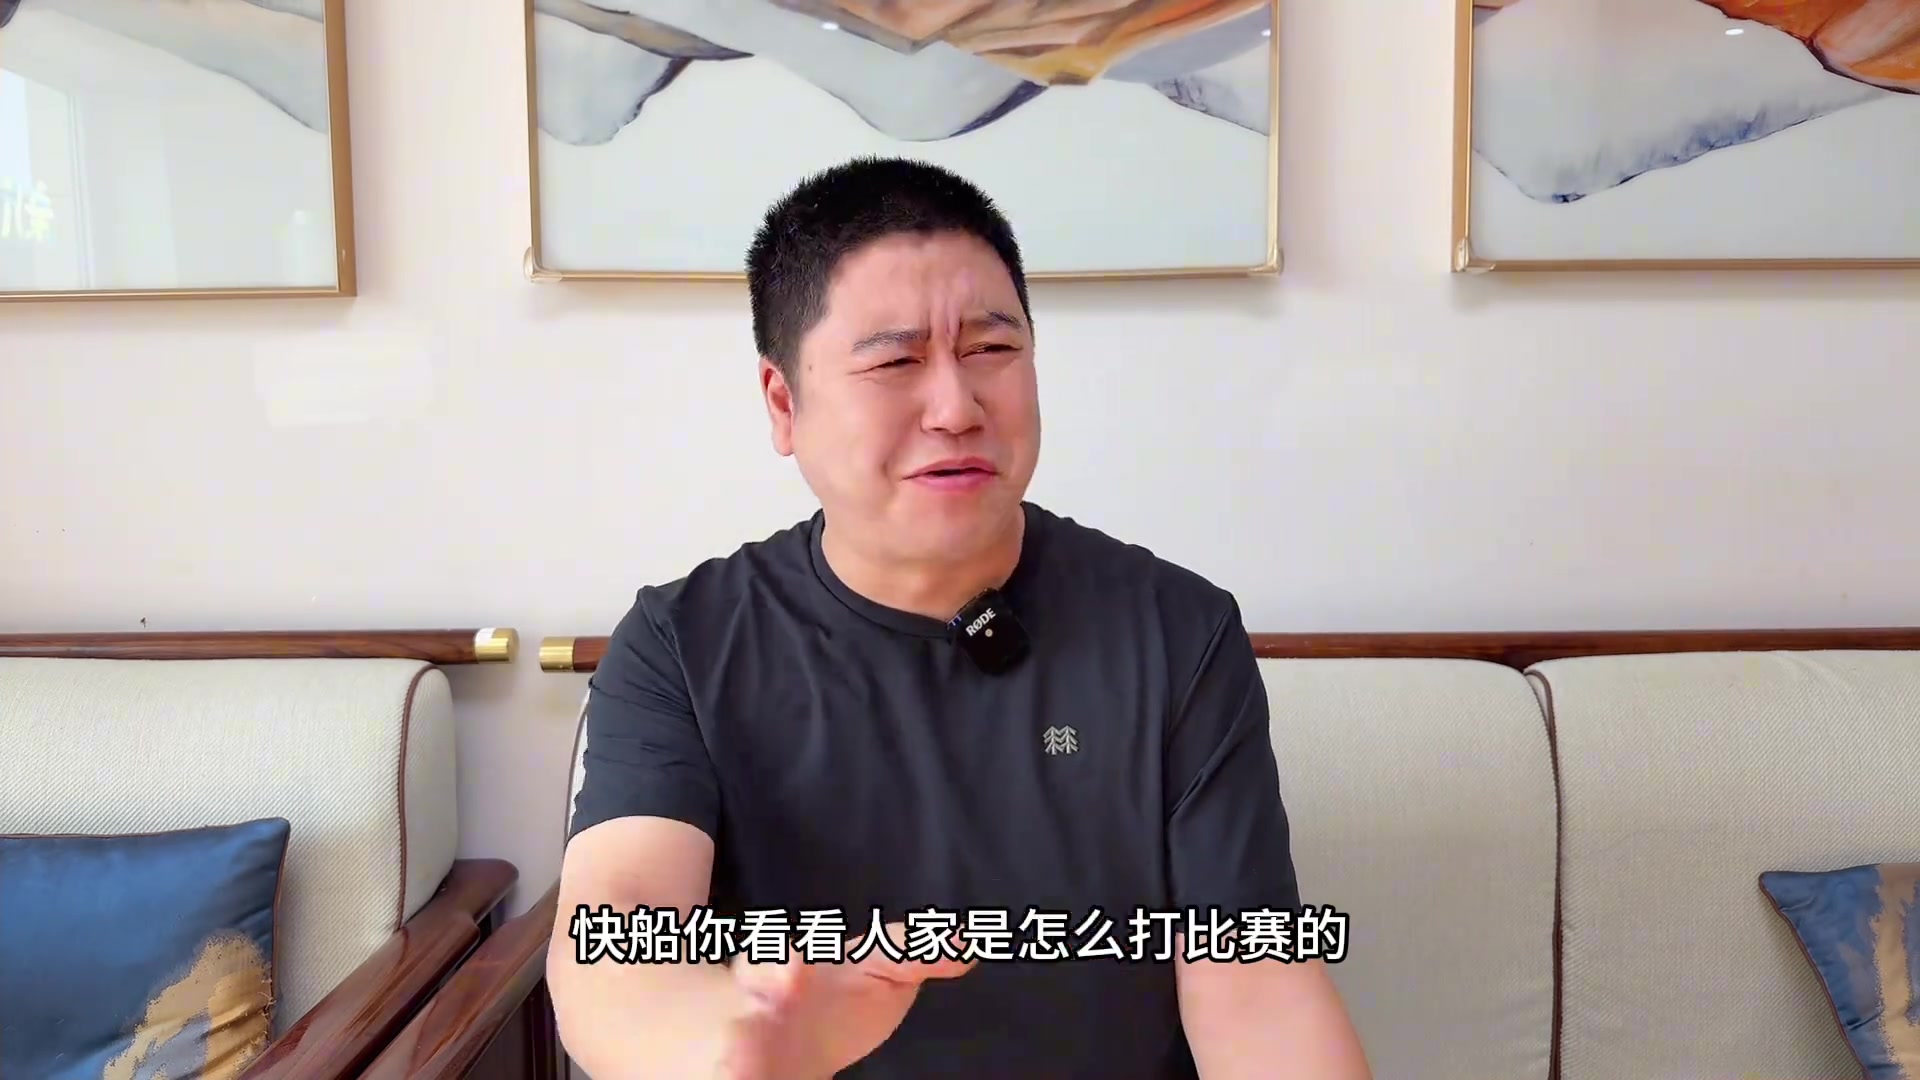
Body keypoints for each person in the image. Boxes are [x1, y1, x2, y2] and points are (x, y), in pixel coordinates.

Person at [546, 156, 1371, 1080]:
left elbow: (1257, 988)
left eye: (991, 351)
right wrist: (745, 1053)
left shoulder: (1177, 630)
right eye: (895, 361)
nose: (956, 406)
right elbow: (616, 942)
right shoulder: (684, 644)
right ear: (784, 402)